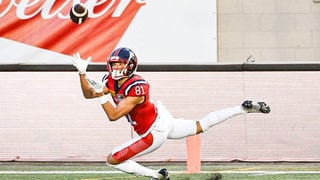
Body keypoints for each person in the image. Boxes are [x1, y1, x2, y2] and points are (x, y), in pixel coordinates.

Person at [72, 47, 271, 180]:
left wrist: (100, 94)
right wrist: (82, 74)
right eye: (114, 64)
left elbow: (113, 115)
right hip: (162, 118)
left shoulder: (137, 86)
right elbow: (88, 94)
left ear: (130, 65)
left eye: (120, 64)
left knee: (112, 159)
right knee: (201, 125)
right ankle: (242, 108)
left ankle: (156, 175)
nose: (116, 68)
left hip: (153, 132)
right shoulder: (111, 80)